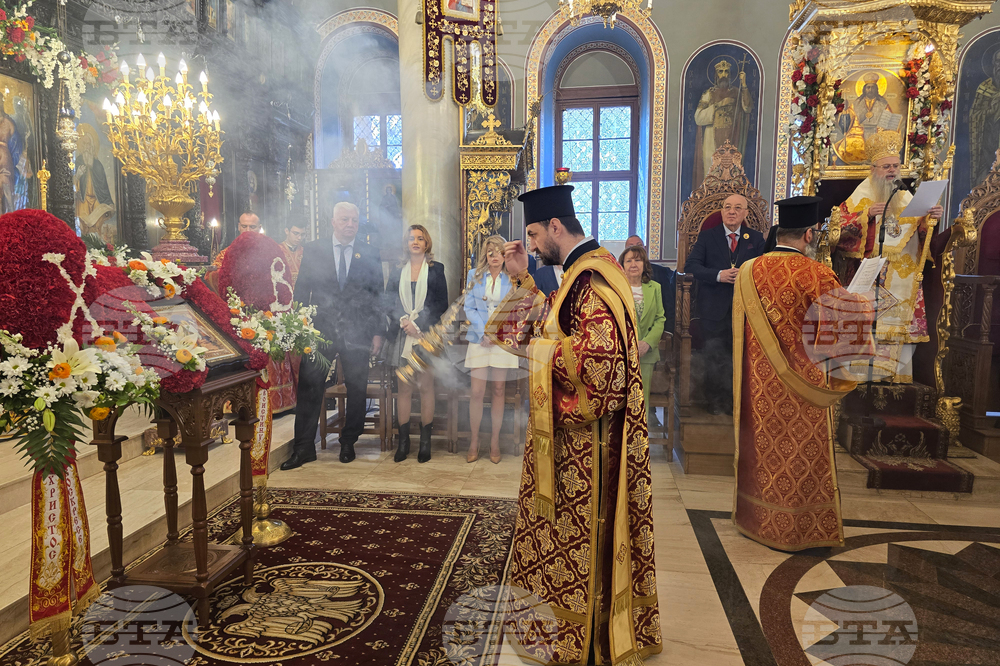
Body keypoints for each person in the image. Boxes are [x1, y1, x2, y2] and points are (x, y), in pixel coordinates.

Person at [486, 185, 661, 665]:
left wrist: (541, 353)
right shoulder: (583, 273)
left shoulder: (591, 279)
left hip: (588, 443)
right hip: (578, 438)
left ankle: (582, 636)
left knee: (580, 537)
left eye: (535, 235)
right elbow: (549, 327)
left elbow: (601, 370)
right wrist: (524, 281)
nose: (532, 245)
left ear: (556, 228)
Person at [732, 196, 874, 551]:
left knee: (762, 451)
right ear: (810, 234)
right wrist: (865, 303)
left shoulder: (749, 270)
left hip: (757, 384)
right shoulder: (816, 273)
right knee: (796, 455)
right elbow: (839, 324)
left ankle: (756, 520)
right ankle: (793, 530)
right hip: (803, 385)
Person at [282, 202, 385, 469]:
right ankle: (303, 447)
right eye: (344, 219)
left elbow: (377, 297)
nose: (350, 224)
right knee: (309, 386)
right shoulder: (314, 250)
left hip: (358, 331)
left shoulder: (370, 253)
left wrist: (376, 333)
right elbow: (303, 289)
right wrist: (301, 327)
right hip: (320, 330)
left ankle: (349, 441)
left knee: (357, 387)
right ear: (333, 221)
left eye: (354, 220)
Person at [833, 129, 942, 382]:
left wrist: (930, 220)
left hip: (902, 277)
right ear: (873, 168)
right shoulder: (861, 195)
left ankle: (896, 380)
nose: (892, 171)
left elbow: (921, 235)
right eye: (886, 166)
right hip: (870, 278)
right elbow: (837, 232)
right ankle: (859, 380)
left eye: (895, 165)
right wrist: (866, 216)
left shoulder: (905, 194)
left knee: (897, 328)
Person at [684, 193, 765, 414]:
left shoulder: (755, 239)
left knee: (738, 356)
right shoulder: (707, 237)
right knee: (714, 355)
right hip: (713, 310)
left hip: (745, 310)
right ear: (721, 212)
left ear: (745, 213)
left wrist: (745, 276)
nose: (732, 211)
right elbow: (691, 266)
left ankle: (736, 402)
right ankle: (716, 403)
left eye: (738, 208)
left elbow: (763, 270)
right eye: (728, 207)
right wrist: (719, 275)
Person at [385, 225, 448, 463]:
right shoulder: (397, 269)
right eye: (411, 238)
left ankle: (425, 443)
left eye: (420, 238)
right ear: (406, 243)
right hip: (402, 333)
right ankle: (403, 443)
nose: (415, 242)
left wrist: (418, 324)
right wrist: (404, 320)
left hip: (426, 335)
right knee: (404, 388)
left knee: (425, 387)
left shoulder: (436, 268)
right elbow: (388, 300)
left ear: (426, 243)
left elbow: (442, 303)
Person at [463, 235, 516, 464]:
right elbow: (469, 307)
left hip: (502, 341)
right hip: (478, 339)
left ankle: (494, 440)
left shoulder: (513, 277)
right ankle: (474, 440)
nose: (495, 257)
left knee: (497, 391)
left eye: (499, 252)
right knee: (476, 392)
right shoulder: (473, 275)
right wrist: (484, 331)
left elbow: (515, 310)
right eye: (491, 252)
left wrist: (496, 333)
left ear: (506, 255)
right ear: (485, 254)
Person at [619, 244, 665, 424]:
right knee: (621, 401)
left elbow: (660, 319)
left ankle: (639, 442)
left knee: (641, 401)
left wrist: (647, 343)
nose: (633, 264)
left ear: (644, 264)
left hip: (646, 354)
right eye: (628, 260)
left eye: (637, 260)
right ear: (622, 265)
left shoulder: (656, 288)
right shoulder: (616, 289)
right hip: (622, 353)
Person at [693, 58, 753, 187]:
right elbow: (698, 118)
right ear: (716, 74)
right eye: (721, 72)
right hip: (711, 139)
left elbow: (747, 108)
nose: (724, 75)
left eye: (726, 72)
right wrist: (719, 105)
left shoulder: (737, 92)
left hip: (733, 137)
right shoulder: (709, 94)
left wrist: (744, 85)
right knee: (712, 174)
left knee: (732, 175)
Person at [625, 234, 676, 332]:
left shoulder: (660, 272)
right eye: (631, 247)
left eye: (639, 246)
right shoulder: (619, 274)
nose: (635, 249)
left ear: (645, 249)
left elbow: (668, 304)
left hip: (653, 331)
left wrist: (668, 331)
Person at [280, 222, 307, 287]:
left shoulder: (306, 251)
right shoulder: (277, 250)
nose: (299, 238)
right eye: (296, 233)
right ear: (287, 231)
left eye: (302, 234)